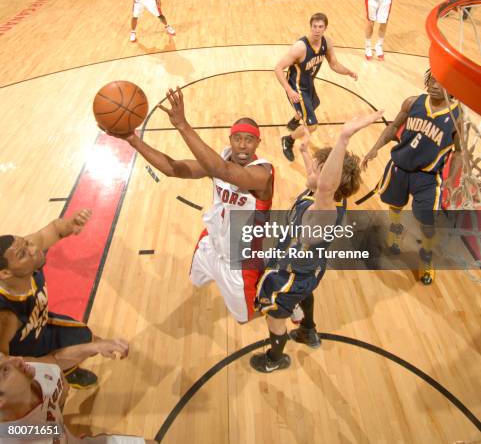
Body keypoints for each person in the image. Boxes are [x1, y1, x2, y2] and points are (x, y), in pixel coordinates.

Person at [109, 88, 274, 324]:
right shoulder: (219, 161)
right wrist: (133, 140)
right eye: (237, 139)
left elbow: (223, 171)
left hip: (239, 261)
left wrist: (182, 125)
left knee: (243, 319)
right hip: (211, 243)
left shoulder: (262, 174)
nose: (242, 146)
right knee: (196, 281)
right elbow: (173, 169)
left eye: (249, 140)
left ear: (258, 143)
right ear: (230, 141)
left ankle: (284, 304)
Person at [249, 110, 383, 372]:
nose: (311, 171)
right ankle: (308, 330)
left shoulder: (324, 210)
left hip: (291, 274)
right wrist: (304, 149)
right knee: (306, 292)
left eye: (319, 170)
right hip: (310, 267)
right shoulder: (325, 194)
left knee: (275, 316)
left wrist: (344, 137)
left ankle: (275, 359)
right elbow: (318, 179)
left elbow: (324, 186)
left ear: (328, 184)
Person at [362, 70, 462, 284]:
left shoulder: (457, 118)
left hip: (427, 177)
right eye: (432, 80)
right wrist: (375, 148)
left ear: (453, 90)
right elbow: (394, 127)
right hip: (399, 167)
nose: (435, 85)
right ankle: (395, 233)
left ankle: (426, 259)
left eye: (442, 83)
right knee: (394, 206)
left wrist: (451, 183)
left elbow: (459, 153)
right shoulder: (412, 102)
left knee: (427, 222)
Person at [0, 210, 104, 389]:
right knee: (54, 386)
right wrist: (48, 366)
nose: (33, 249)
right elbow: (5, 364)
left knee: (90, 340)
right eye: (23, 254)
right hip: (24, 357)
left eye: (26, 243)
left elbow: (54, 229)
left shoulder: (25, 250)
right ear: (5, 273)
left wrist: (70, 225)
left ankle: (67, 371)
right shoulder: (6, 316)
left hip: (41, 326)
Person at [0, 343, 155, 443]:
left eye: (4, 357)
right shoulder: (14, 436)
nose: (18, 359)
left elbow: (55, 359)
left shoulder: (30, 370)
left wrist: (95, 347)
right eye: (5, 371)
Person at [274, 13, 358, 162]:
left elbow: (334, 64)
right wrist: (289, 90)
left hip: (308, 84)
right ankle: (288, 140)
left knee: (314, 104)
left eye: (320, 27)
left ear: (325, 28)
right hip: (297, 88)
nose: (317, 30)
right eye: (314, 26)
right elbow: (278, 68)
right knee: (312, 125)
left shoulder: (327, 43)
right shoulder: (300, 47)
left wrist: (348, 72)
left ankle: (294, 121)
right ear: (310, 26)